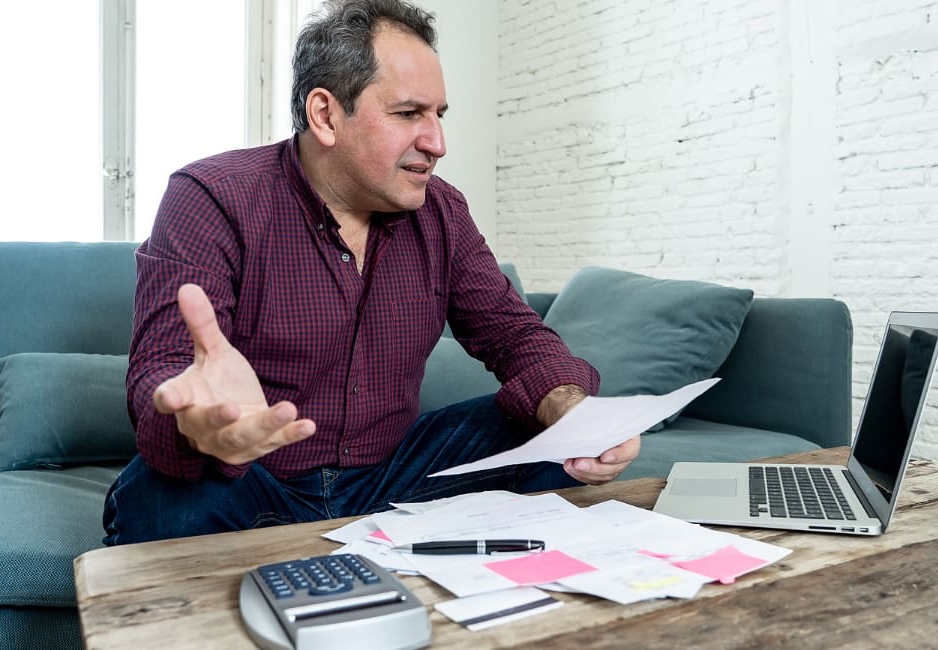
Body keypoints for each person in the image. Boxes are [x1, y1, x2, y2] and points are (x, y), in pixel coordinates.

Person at [102, 0, 640, 545]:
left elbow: (513, 333)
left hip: (393, 476)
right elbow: (164, 369)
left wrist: (571, 408)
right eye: (409, 114)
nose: (437, 142)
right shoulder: (212, 197)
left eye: (439, 115)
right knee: (163, 492)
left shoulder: (442, 212)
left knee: (549, 437)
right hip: (255, 478)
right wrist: (203, 422)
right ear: (326, 115)